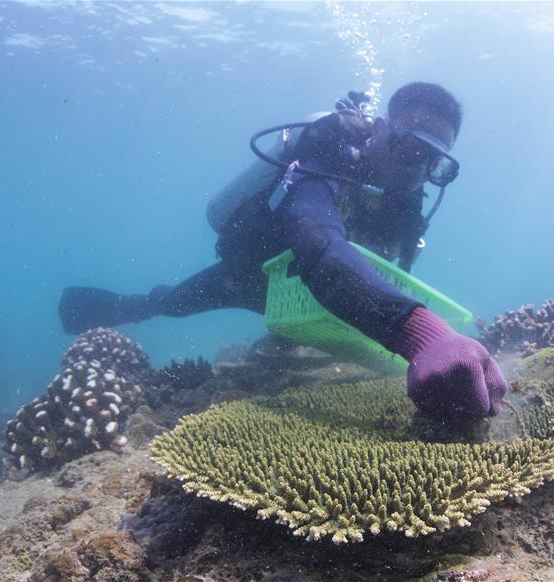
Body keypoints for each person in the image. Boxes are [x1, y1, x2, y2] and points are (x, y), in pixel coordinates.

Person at [59, 82, 508, 422]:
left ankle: (281, 339)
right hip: (255, 274)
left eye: (433, 161)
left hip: (321, 299)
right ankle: (124, 306)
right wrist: (425, 337)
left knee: (288, 334)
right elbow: (318, 243)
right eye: (409, 146)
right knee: (173, 304)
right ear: (380, 132)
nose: (417, 168)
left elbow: (388, 272)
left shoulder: (405, 201)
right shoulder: (331, 155)